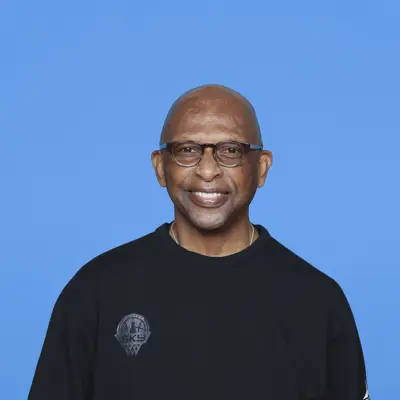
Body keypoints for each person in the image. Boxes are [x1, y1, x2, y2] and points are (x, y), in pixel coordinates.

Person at [28, 84, 370, 400]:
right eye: (187, 150)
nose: (207, 171)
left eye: (231, 150)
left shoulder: (318, 301)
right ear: (160, 167)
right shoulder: (96, 291)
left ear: (262, 168)